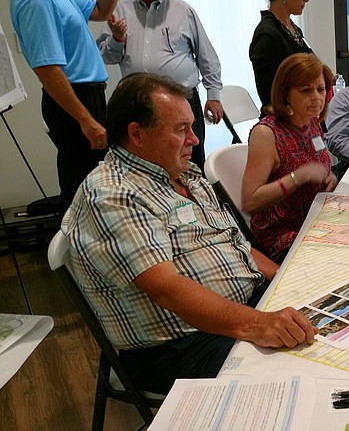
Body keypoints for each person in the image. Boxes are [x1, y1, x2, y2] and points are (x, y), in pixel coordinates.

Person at [63, 73, 316, 395]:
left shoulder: (185, 174)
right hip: (179, 346)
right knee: (306, 377)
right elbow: (165, 289)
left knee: (336, 335)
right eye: (181, 129)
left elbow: (235, 244)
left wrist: (287, 281)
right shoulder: (113, 194)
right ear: (136, 134)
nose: (194, 139)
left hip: (237, 314)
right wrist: (258, 324)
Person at [9, 0, 120, 213]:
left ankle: (91, 242)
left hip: (87, 95)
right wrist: (86, 120)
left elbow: (101, 10)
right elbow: (47, 68)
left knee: (94, 179)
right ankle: (75, 245)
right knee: (82, 184)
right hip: (74, 99)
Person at [97, 0, 224, 173]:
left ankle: (196, 200)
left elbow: (207, 57)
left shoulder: (183, 10)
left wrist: (213, 96)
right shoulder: (120, 10)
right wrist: (117, 39)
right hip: (140, 105)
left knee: (190, 162)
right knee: (144, 162)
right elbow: (105, 56)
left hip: (182, 102)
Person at [242, 54, 337, 263]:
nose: (317, 98)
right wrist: (298, 177)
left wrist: (329, 177)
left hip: (314, 220)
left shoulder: (313, 124)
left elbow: (316, 166)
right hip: (281, 235)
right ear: (285, 94)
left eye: (320, 89)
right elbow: (250, 202)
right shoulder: (266, 133)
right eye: (306, 90)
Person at [250, 0, 313, 114]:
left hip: (303, 115)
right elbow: (270, 95)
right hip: (284, 121)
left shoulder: (294, 30)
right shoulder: (267, 34)